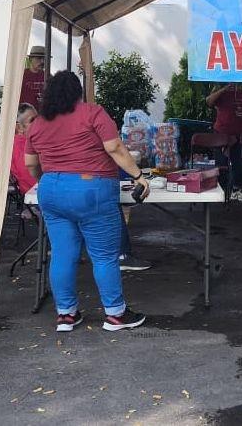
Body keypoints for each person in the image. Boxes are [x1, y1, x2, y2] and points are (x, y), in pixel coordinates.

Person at [25, 71, 150, 332]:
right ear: (77, 92)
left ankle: (66, 315)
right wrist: (139, 176)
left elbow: (31, 164)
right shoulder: (92, 113)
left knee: (62, 254)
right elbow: (115, 148)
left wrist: (50, 181)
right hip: (91, 189)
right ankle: (115, 314)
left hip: (51, 190)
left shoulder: (38, 123)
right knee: (104, 256)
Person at [206, 83, 242, 202]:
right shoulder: (221, 92)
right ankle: (222, 191)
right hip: (221, 135)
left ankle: (236, 190)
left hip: (239, 135)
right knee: (221, 164)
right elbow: (209, 102)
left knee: (239, 165)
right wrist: (223, 89)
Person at [11, 103, 38, 195]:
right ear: (19, 127)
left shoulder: (31, 141)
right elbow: (29, 176)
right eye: (32, 120)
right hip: (35, 192)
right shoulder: (18, 145)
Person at [20, 45, 48, 110]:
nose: (42, 61)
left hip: (43, 116)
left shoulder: (48, 76)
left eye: (44, 59)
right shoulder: (22, 76)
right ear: (30, 59)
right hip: (25, 116)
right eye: (38, 58)